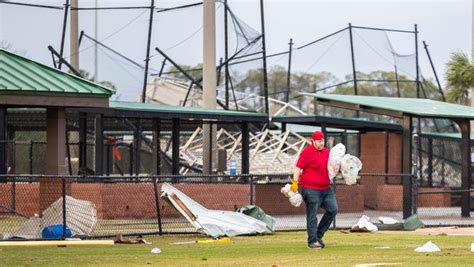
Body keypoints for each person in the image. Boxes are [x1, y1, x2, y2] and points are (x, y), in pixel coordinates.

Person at [291, 131, 338, 249]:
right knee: (312, 215)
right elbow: (298, 167)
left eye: (322, 141)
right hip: (310, 189)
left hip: (326, 188)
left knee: (333, 209)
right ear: (313, 141)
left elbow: (333, 167)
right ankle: (312, 242)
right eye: (319, 141)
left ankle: (318, 235)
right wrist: (295, 183)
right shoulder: (307, 152)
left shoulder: (327, 153)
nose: (321, 143)